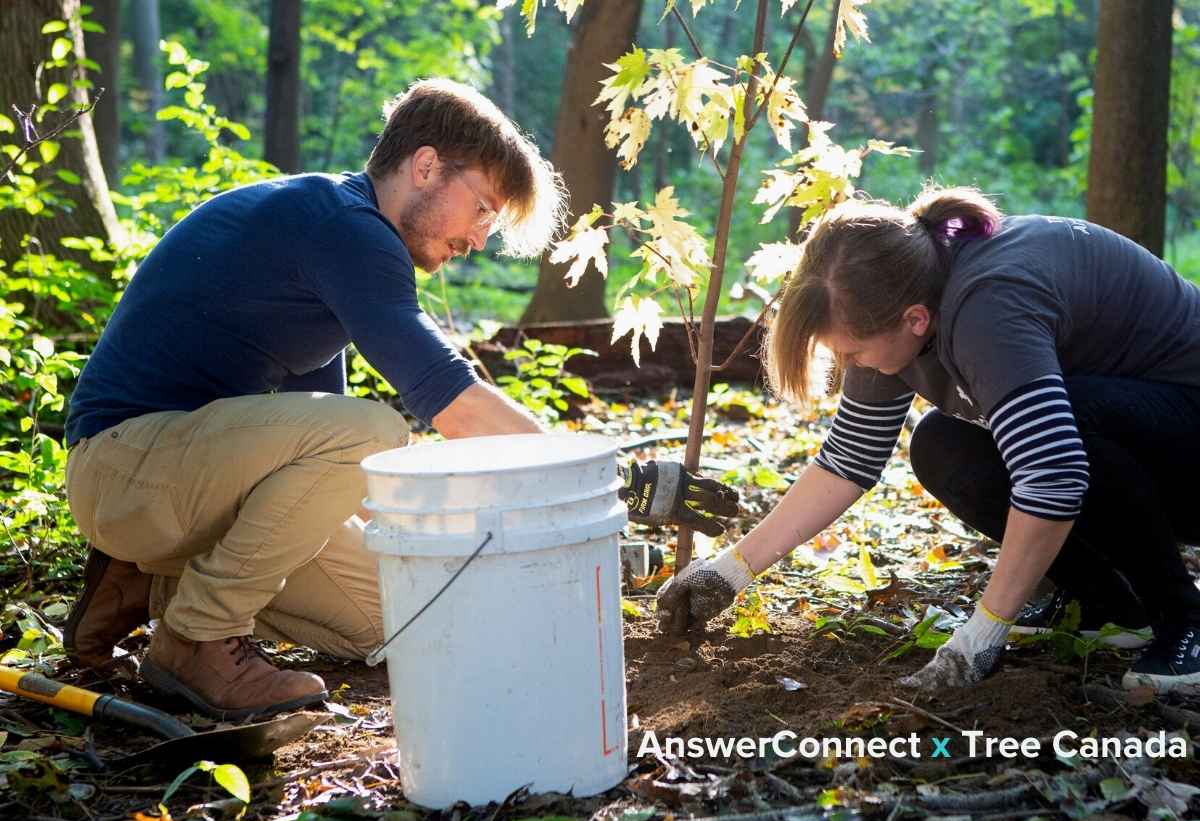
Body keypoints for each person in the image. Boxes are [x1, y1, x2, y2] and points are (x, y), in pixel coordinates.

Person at [62, 78, 738, 719]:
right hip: (123, 465)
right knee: (374, 432)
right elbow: (451, 404)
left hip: (174, 491)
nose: (478, 240)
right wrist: (613, 482)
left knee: (401, 616)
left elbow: (340, 485)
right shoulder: (344, 227)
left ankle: (148, 585)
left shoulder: (330, 257)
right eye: (481, 210)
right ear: (425, 167)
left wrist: (505, 542)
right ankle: (195, 639)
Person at [657, 186, 1200, 696]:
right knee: (943, 445)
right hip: (1139, 443)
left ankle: (1184, 620)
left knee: (1058, 429)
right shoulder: (897, 296)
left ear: (915, 320)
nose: (849, 367)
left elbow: (1054, 474)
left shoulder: (989, 305)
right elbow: (848, 460)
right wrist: (730, 571)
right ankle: (1108, 605)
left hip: (1186, 432)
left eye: (852, 355)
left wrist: (983, 632)